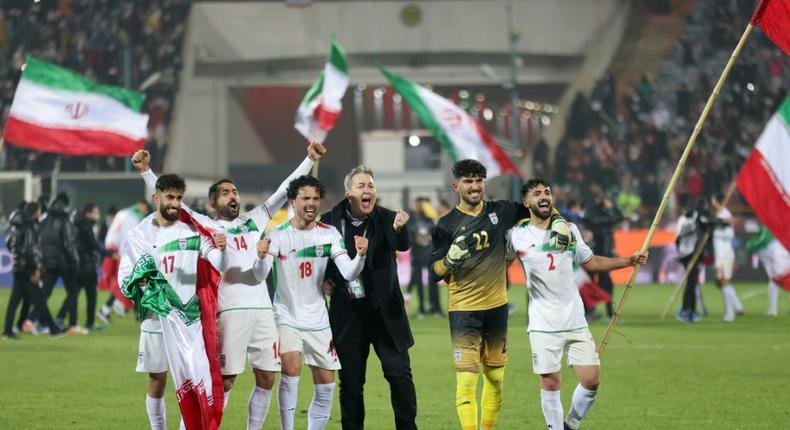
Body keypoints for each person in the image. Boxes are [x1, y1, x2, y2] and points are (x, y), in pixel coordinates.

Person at [133, 143, 325, 429]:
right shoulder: (206, 225)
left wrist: (309, 159)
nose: (233, 196)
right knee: (224, 380)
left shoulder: (253, 220)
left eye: (234, 192)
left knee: (266, 378)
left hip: (262, 310)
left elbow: (284, 191)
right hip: (229, 312)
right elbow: (176, 205)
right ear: (213, 203)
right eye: (225, 193)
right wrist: (147, 171)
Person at [508, 178, 647, 430]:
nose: (544, 196)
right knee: (550, 382)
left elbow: (591, 262)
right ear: (526, 202)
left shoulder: (569, 228)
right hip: (542, 322)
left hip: (574, 319)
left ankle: (571, 423)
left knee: (591, 380)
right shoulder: (516, 234)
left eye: (548, 192)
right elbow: (499, 264)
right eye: (537, 193)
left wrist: (628, 260)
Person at [431, 159, 550, 430]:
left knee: (495, 379)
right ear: (456, 185)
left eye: (478, 180)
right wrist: (449, 260)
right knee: (467, 381)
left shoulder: (503, 211)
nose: (474, 187)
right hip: (464, 311)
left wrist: (560, 221)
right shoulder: (446, 225)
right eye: (468, 181)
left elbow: (540, 208)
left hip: (497, 308)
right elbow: (434, 271)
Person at [253, 175, 368, 430]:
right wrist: (260, 258)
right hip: (286, 315)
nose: (311, 203)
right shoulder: (277, 234)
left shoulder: (329, 234)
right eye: (305, 198)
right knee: (291, 371)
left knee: (326, 384)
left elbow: (348, 272)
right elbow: (259, 275)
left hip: (318, 318)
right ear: (292, 201)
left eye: (316, 198)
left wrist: (359, 256)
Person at [118, 173, 227, 430]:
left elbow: (217, 263)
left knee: (191, 377)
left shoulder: (193, 230)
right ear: (156, 198)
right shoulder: (140, 235)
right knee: (157, 380)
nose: (175, 203)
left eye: (179, 198)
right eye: (170, 197)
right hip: (156, 317)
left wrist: (220, 249)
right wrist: (143, 288)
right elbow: (125, 278)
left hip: (189, 319)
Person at [321, 166, 417, 430]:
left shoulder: (387, 218)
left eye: (371, 186)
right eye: (361, 186)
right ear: (348, 192)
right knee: (351, 383)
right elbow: (323, 259)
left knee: (399, 376)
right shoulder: (329, 220)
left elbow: (402, 245)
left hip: (386, 312)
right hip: (348, 314)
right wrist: (326, 279)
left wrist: (400, 228)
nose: (368, 190)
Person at [3, 202, 64, 339]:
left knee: (15, 300)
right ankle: (53, 329)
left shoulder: (17, 226)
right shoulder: (29, 227)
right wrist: (34, 270)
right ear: (36, 212)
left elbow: (10, 243)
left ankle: (8, 330)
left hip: (18, 267)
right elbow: (30, 251)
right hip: (26, 269)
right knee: (39, 299)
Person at [98, 200, 150, 322]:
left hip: (112, 249)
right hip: (121, 252)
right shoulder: (133, 216)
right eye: (146, 209)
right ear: (142, 206)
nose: (145, 212)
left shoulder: (123, 213)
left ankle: (137, 312)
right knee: (126, 281)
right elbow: (128, 236)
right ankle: (108, 308)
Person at [37, 192, 81, 334]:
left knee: (44, 293)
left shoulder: (45, 219)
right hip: (64, 263)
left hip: (48, 262)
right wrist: (75, 262)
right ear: (66, 204)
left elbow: (39, 241)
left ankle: (34, 322)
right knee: (73, 292)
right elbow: (69, 244)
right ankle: (73, 325)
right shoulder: (65, 220)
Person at [583, 193, 623, 319]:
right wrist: (611, 208)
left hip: (601, 256)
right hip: (592, 257)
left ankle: (599, 311)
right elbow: (618, 218)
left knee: (603, 284)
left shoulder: (595, 216)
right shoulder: (595, 217)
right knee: (593, 284)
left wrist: (611, 208)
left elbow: (619, 218)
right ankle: (592, 311)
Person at [675, 200, 714, 322]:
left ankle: (690, 310)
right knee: (691, 283)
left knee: (692, 282)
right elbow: (681, 235)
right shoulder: (688, 220)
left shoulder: (687, 219)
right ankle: (687, 310)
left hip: (689, 253)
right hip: (689, 253)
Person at [72, 203, 106, 332]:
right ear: (88, 213)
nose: (97, 215)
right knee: (91, 296)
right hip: (87, 266)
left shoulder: (77, 224)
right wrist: (108, 253)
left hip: (78, 266)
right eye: (95, 212)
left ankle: (62, 318)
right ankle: (89, 323)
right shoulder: (86, 226)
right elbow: (93, 244)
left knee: (73, 294)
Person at [710, 194, 743, 322]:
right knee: (721, 282)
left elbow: (729, 234)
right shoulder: (718, 215)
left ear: (718, 202)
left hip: (725, 254)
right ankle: (736, 307)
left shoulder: (725, 214)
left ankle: (730, 314)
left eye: (714, 203)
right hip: (720, 254)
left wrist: (716, 231)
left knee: (723, 282)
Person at [746, 226, 790, 316]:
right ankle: (772, 309)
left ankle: (773, 309)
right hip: (780, 251)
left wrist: (751, 245)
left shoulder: (773, 223)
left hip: (781, 252)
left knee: (782, 279)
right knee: (775, 281)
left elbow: (763, 238)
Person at [407, 196, 439, 317]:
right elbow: (412, 238)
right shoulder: (411, 220)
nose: (419, 207)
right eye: (418, 204)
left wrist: (426, 238)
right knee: (418, 282)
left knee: (433, 281)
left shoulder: (429, 220)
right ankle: (421, 309)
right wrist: (422, 238)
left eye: (421, 205)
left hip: (429, 254)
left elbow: (434, 236)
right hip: (416, 256)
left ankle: (434, 307)